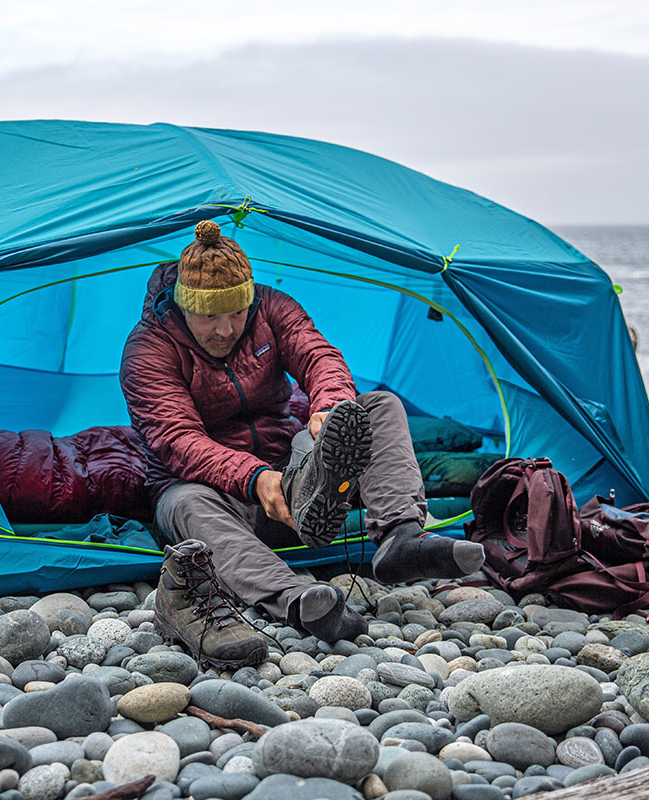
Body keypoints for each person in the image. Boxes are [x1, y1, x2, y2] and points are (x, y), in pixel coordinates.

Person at [120, 220, 485, 665]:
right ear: (183, 303)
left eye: (236, 312)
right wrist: (257, 479)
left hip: (290, 479)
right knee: (187, 503)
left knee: (378, 406)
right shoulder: (148, 349)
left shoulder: (271, 308)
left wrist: (330, 410)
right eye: (209, 315)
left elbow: (318, 356)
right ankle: (298, 599)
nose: (226, 329)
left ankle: (401, 537)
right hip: (212, 492)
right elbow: (178, 440)